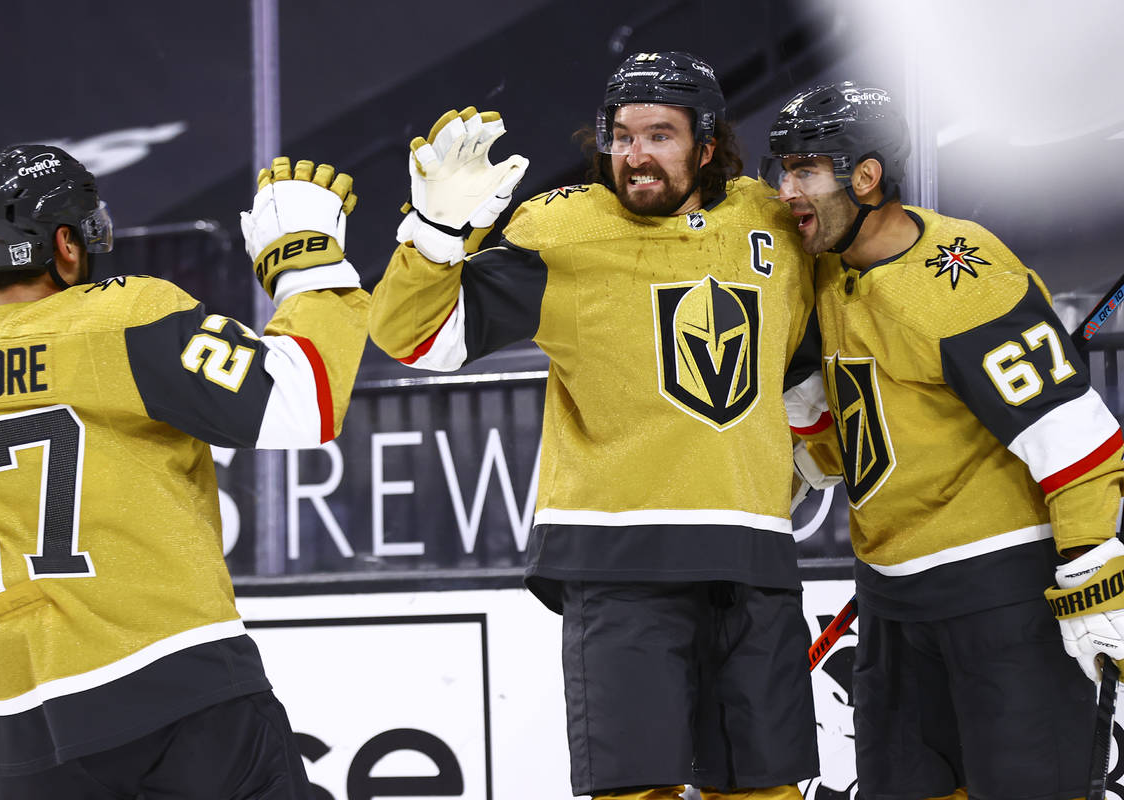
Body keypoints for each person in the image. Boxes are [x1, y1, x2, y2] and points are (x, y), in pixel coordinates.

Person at [369, 52, 822, 799]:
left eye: (660, 135)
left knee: (764, 790)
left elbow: (805, 357)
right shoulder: (562, 232)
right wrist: (435, 232)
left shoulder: (768, 220)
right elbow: (418, 339)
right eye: (622, 135)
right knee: (636, 791)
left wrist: (812, 455)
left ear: (708, 145)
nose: (636, 155)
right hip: (621, 564)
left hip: (752, 558)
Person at [0, 145, 369, 798]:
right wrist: (305, 264)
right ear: (66, 243)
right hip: (171, 691)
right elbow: (304, 402)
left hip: (8, 727)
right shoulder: (124, 316)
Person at [764, 82, 1124, 799]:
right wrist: (804, 460)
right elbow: (871, 417)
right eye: (784, 170)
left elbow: (1075, 440)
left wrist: (1093, 579)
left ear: (865, 177)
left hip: (1003, 602)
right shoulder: (830, 274)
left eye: (805, 170)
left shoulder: (961, 281)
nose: (786, 191)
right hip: (894, 603)